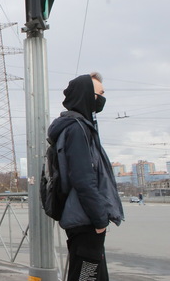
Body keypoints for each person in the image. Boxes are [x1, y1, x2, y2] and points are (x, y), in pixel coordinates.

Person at [47, 72, 124, 281]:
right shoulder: (77, 130)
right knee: (86, 276)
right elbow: (83, 178)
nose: (102, 99)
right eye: (100, 93)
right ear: (87, 96)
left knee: (89, 274)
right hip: (86, 220)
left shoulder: (78, 128)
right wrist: (100, 220)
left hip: (82, 218)